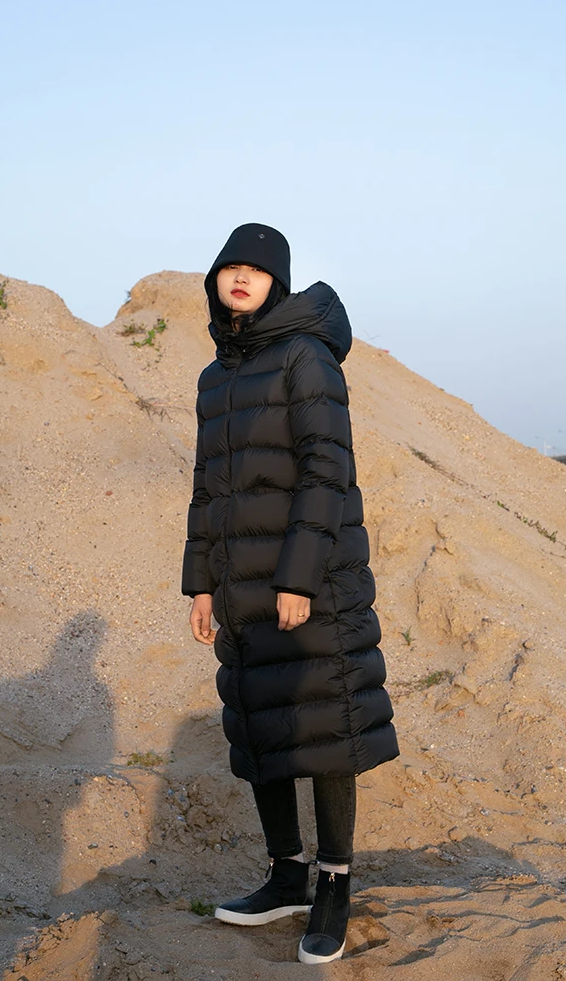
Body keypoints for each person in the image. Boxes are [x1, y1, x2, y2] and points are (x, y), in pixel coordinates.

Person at [182, 223, 398, 964]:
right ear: (214, 281)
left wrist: (298, 577)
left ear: (277, 282)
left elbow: (326, 470)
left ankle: (334, 883)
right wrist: (201, 585)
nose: (241, 278)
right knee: (262, 725)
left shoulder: (307, 356)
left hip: (313, 580)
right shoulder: (215, 377)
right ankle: (285, 876)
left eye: (257, 269)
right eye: (229, 268)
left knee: (324, 728)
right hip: (239, 586)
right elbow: (206, 489)